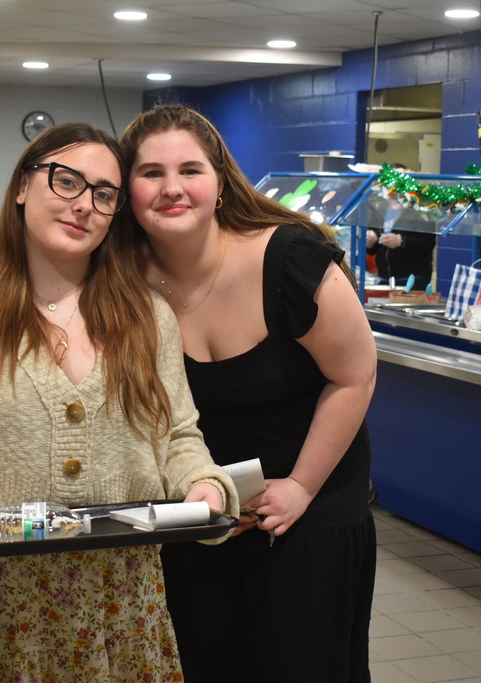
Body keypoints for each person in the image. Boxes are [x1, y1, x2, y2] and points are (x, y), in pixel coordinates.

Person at [0, 121, 238, 682]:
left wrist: (202, 484)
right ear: (22, 186)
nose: (84, 205)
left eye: (104, 194)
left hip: (118, 608)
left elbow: (176, 434)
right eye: (66, 181)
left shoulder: (146, 316)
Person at [119, 104, 378, 682]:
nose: (171, 188)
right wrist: (194, 498)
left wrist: (301, 487)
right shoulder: (121, 281)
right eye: (151, 173)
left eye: (190, 170)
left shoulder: (289, 259)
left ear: (219, 183)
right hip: (199, 507)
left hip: (310, 500)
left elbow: (354, 376)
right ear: (128, 191)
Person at [365, 165, 437, 292]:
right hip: (384, 277)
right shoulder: (380, 209)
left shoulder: (419, 209)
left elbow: (428, 242)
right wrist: (370, 242)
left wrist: (401, 241)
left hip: (412, 277)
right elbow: (373, 249)